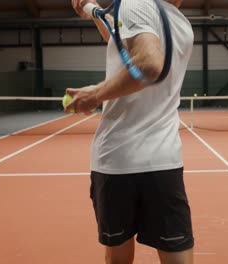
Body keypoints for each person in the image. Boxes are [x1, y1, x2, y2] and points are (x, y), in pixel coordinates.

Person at [68, 0, 194, 263]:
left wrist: (96, 94)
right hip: (163, 162)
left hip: (117, 160)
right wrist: (90, 10)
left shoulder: (135, 3)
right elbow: (118, 35)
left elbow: (149, 64)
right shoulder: (180, 24)